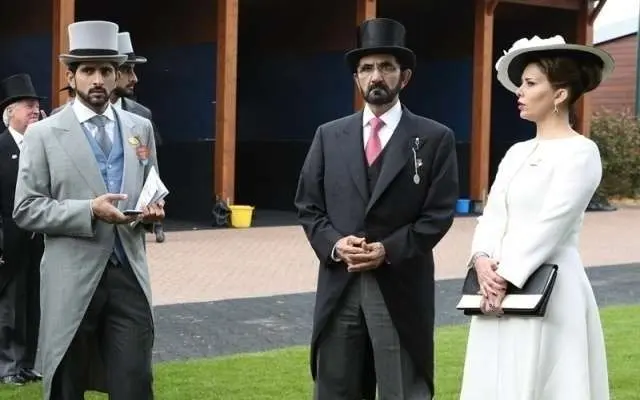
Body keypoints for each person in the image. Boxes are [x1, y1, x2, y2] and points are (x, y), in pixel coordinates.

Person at [294, 18, 459, 400]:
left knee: (402, 388)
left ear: (405, 77)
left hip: (399, 286)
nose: (376, 76)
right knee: (336, 387)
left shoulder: (435, 138)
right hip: (340, 285)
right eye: (366, 68)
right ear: (356, 78)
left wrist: (389, 249)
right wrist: (335, 244)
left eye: (386, 66)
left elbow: (439, 214)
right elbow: (307, 205)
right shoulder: (328, 136)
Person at [12, 20, 164, 400]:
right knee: (67, 383)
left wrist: (153, 210)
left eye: (106, 70)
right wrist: (89, 211)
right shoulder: (44, 134)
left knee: (135, 382)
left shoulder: (138, 127)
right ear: (71, 76)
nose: (98, 79)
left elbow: (150, 185)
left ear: (116, 77)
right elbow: (26, 209)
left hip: (128, 274)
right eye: (88, 70)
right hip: (71, 278)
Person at [460, 35, 614, 400]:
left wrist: (505, 277)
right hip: (494, 293)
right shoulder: (516, 152)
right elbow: (493, 214)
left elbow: (551, 225)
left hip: (550, 291)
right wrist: (482, 261)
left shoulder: (581, 153)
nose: (521, 92)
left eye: (530, 84)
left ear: (559, 94)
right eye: (521, 84)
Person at [0, 73, 46, 385]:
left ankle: (28, 363)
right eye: (27, 105)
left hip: (39, 242)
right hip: (9, 242)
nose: (34, 109)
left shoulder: (42, 145)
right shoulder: (1, 147)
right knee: (10, 307)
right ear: (10, 113)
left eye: (36, 105)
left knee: (34, 304)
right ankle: (8, 367)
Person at [110, 32, 165, 243]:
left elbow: (149, 166)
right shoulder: (61, 118)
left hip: (129, 237)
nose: (134, 78)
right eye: (127, 70)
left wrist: (153, 210)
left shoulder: (142, 115)